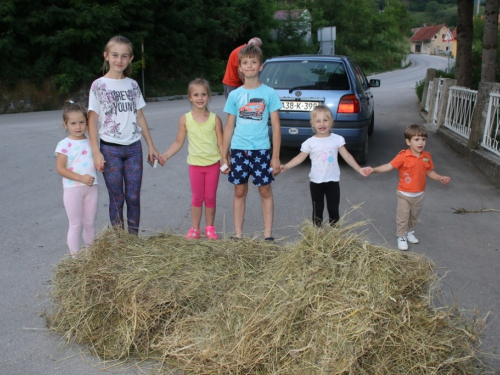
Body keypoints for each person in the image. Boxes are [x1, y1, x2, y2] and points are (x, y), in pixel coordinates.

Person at [88, 35, 161, 235]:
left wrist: (151, 146)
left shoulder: (133, 85)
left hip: (133, 149)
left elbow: (140, 116)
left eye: (124, 56)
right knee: (117, 198)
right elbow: (92, 120)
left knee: (133, 197)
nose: (119, 60)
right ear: (106, 56)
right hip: (109, 149)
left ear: (130, 59)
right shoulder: (98, 85)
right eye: (114, 55)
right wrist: (96, 152)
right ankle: (120, 242)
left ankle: (133, 240)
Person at [221, 44, 281, 240]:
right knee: (240, 190)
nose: (249, 66)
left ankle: (268, 235)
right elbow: (229, 127)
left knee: (264, 190)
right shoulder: (234, 95)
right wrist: (224, 155)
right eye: (245, 63)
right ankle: (238, 235)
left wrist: (276, 157)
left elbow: (276, 126)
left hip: (261, 150)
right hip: (239, 150)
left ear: (260, 66)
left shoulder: (269, 93)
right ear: (239, 68)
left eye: (253, 62)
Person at [280, 105, 370, 227]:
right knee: (317, 209)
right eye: (318, 121)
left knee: (333, 209)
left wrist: (359, 168)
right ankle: (317, 235)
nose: (322, 124)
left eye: (325, 120)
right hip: (316, 182)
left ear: (331, 121)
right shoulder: (309, 143)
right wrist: (286, 166)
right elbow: (299, 157)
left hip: (332, 181)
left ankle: (335, 236)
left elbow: (347, 156)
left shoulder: (337, 139)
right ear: (312, 123)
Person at [365, 124, 451, 251]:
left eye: (423, 139)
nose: (421, 143)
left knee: (414, 216)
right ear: (408, 141)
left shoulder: (426, 157)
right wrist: (374, 170)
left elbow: (429, 172)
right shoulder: (403, 156)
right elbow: (389, 166)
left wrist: (439, 178)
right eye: (417, 140)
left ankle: (409, 231)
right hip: (404, 194)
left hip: (419, 194)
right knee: (403, 217)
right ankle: (401, 236)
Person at [159, 78, 223, 240]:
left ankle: (209, 228)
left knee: (210, 197)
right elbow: (178, 142)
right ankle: (195, 229)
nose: (200, 98)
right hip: (195, 166)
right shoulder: (185, 119)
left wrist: (225, 161)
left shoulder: (215, 119)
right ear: (190, 97)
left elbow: (222, 143)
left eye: (203, 94)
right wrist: (166, 155)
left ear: (208, 96)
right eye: (196, 95)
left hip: (212, 166)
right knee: (197, 197)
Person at [55, 100, 98, 257]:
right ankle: (75, 259)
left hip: (91, 188)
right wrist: (80, 178)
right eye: (73, 123)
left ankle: (92, 255)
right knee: (75, 225)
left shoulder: (91, 142)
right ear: (65, 124)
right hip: (73, 189)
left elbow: (96, 159)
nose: (78, 127)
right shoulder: (64, 144)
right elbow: (60, 168)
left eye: (81, 122)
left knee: (89, 223)